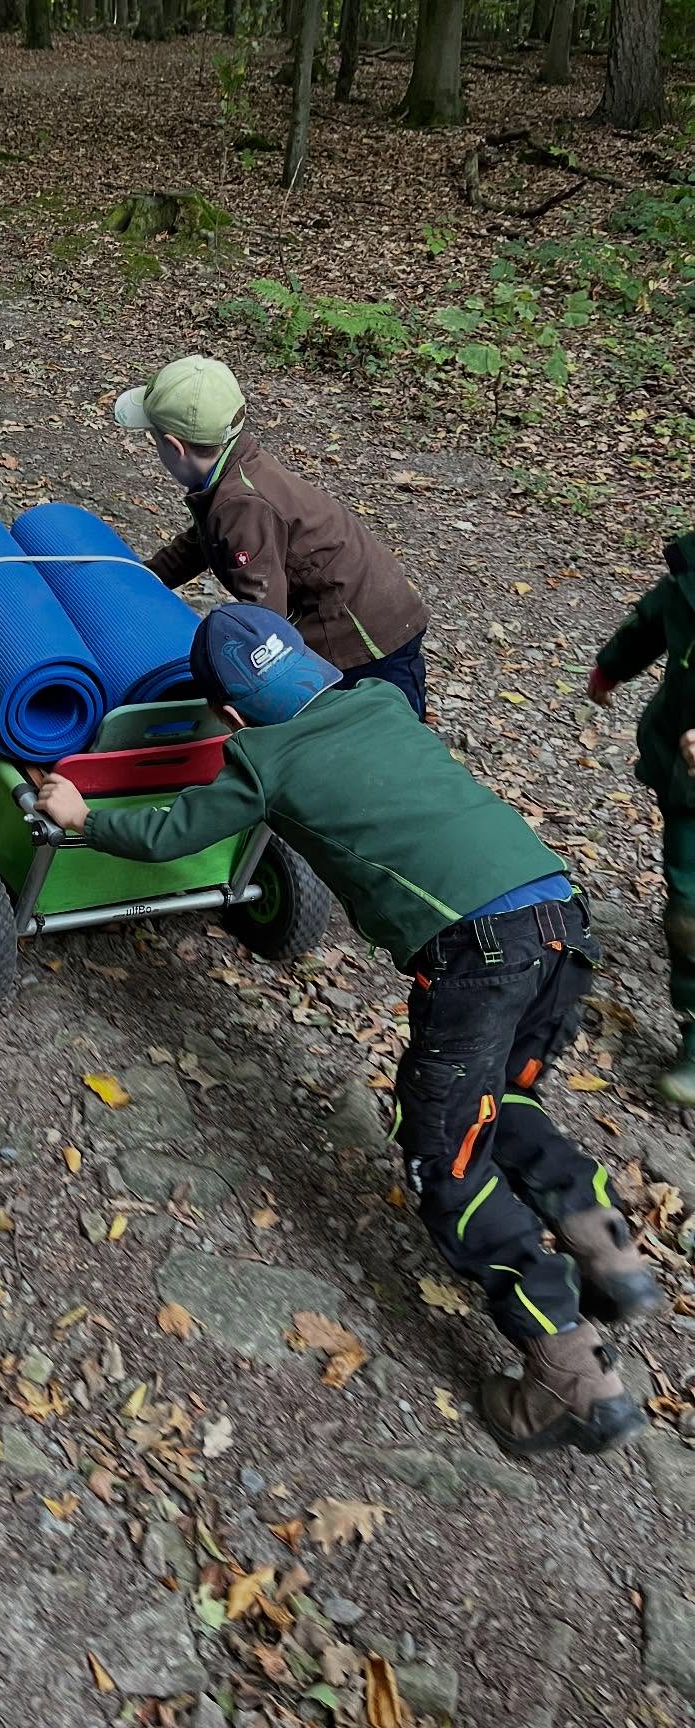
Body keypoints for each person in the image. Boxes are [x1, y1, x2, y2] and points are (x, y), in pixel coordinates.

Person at [36, 602, 660, 1457]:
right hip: (557, 918)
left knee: (444, 1154)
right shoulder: (377, 701)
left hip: (481, 953)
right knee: (500, 1105)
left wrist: (82, 816)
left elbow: (169, 831)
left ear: (228, 715)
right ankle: (609, 1256)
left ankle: (571, 1379)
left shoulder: (260, 752)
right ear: (307, 665)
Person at [115, 355, 429, 717]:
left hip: (366, 635)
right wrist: (141, 580)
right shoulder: (234, 470)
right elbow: (202, 542)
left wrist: (228, 690)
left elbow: (265, 620)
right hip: (365, 611)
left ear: (175, 447)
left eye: (154, 441)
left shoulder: (240, 505)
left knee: (380, 724)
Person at [589, 532, 695, 1106]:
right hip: (686, 786)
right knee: (690, 908)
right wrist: (609, 670)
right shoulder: (687, 582)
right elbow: (648, 624)